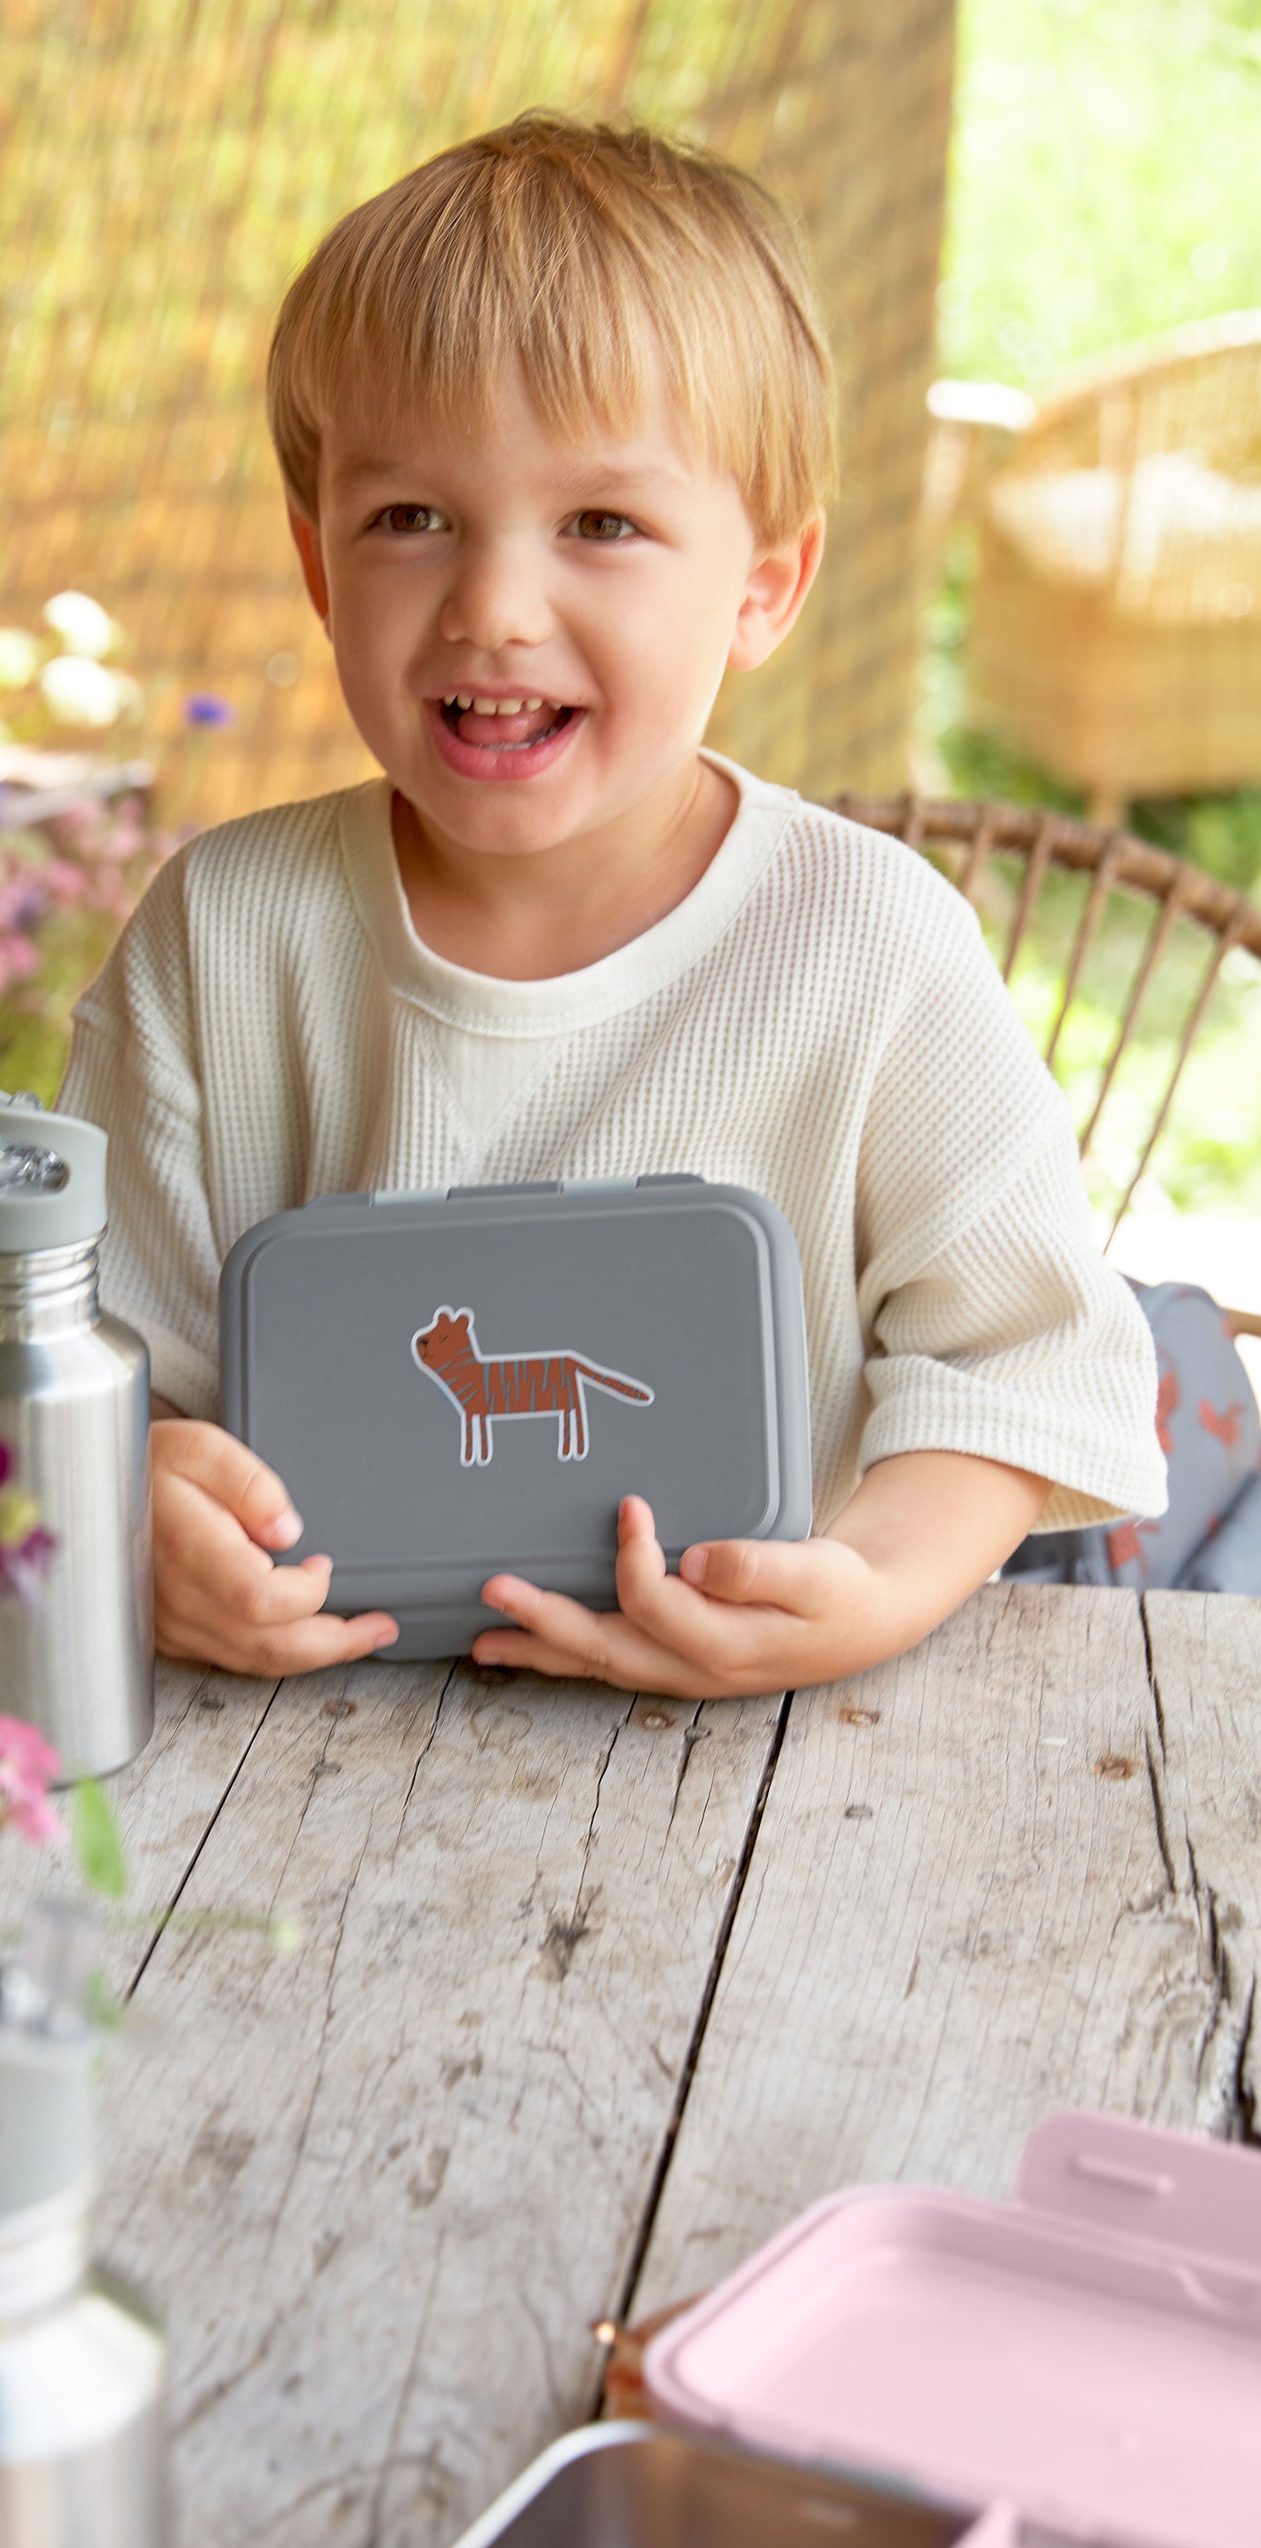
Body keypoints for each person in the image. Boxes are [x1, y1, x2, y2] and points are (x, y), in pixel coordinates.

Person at [58, 112, 1164, 1692]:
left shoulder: (873, 947)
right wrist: (136, 1508)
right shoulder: (221, 939)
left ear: (765, 586)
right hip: (297, 1765)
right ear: (317, 564)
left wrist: (875, 1585)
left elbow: (1023, 1366)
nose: (494, 608)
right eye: (410, 519)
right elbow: (88, 1375)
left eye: (602, 524)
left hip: (770, 1771)